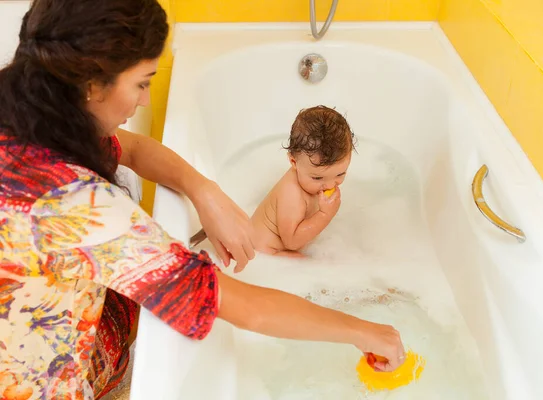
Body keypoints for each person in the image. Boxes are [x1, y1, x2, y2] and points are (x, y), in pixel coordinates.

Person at [0, 1, 405, 399]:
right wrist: (367, 331)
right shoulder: (76, 207)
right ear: (91, 84)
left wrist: (203, 190)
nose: (145, 100)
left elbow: (135, 151)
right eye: (142, 83)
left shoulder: (29, 108)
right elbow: (242, 306)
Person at [251, 105, 354, 257]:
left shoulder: (309, 175)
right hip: (265, 251)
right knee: (313, 267)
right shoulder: (291, 194)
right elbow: (291, 242)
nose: (330, 185)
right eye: (317, 178)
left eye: (340, 174)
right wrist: (325, 215)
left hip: (286, 245)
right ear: (294, 162)